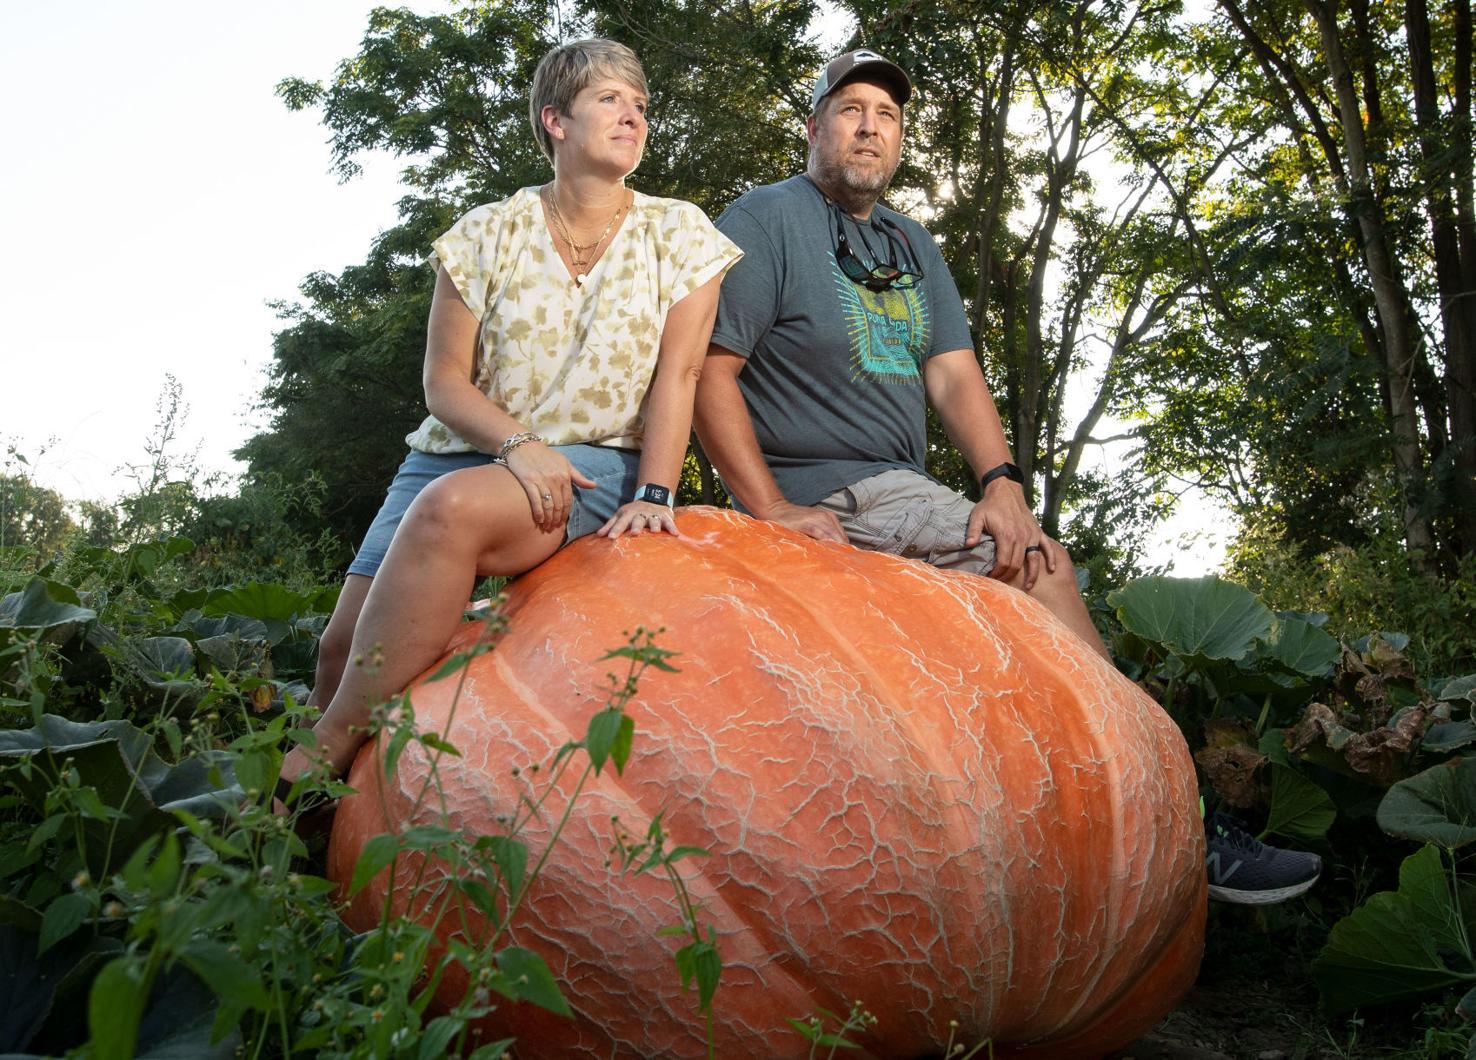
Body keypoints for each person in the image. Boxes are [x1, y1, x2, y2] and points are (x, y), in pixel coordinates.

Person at [692, 48, 1321, 905]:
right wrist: (769, 507)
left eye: (887, 113)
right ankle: (1181, 821)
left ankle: (1072, 843)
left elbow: (952, 374)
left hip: (902, 485)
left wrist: (1003, 481)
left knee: (1016, 545)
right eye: (850, 109)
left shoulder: (911, 242)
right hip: (841, 487)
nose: (870, 124)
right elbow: (709, 367)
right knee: (1038, 569)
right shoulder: (766, 218)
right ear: (813, 129)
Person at [276, 38, 741, 804]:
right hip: (458, 451)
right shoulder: (484, 233)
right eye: (610, 100)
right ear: (555, 120)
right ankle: (328, 846)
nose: (633, 115)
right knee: (337, 655)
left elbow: (679, 375)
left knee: (452, 514)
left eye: (640, 105)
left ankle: (309, 766)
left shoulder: (680, 234)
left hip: (588, 462)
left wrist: (655, 494)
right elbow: (443, 384)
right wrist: (517, 445)